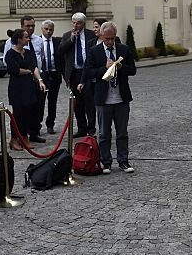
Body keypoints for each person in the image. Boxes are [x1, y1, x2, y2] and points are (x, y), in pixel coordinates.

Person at [85, 21, 136, 174]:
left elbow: (133, 70)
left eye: (112, 38)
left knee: (122, 132)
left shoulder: (123, 49)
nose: (109, 42)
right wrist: (104, 69)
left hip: (121, 98)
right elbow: (88, 72)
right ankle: (106, 162)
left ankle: (123, 161)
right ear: (101, 36)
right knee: (104, 133)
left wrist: (121, 67)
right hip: (103, 98)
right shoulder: (94, 51)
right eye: (107, 38)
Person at [5, 28, 46, 149]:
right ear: (19, 39)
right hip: (17, 87)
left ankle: (24, 136)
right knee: (18, 114)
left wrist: (40, 80)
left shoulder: (28, 53)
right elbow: (14, 70)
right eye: (26, 37)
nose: (28, 39)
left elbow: (34, 67)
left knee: (28, 113)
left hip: (29, 86)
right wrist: (28, 71)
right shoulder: (10, 54)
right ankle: (14, 138)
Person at [58, 12, 97, 137]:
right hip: (74, 73)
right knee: (77, 103)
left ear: (83, 24)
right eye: (73, 22)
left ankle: (91, 129)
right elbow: (60, 51)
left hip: (87, 72)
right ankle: (82, 128)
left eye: (78, 23)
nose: (75, 25)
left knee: (89, 102)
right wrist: (71, 39)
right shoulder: (66, 36)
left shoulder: (91, 34)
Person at [36, 20, 62, 135]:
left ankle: (50, 124)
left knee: (53, 101)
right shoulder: (37, 41)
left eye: (50, 29)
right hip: (42, 74)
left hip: (54, 74)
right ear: (42, 29)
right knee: (40, 101)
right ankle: (37, 124)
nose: (48, 31)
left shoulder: (57, 42)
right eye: (46, 29)